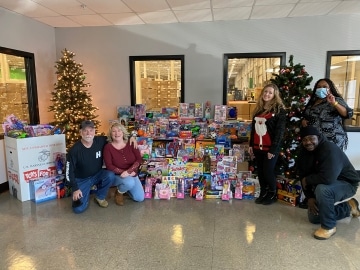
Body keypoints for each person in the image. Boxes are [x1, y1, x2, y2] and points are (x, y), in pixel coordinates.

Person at [297, 126, 360, 240]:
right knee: (314, 218)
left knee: (322, 189)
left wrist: (308, 180)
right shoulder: (303, 153)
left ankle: (329, 227)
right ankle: (349, 207)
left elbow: (328, 178)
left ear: (318, 137)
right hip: (327, 183)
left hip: (347, 183)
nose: (308, 142)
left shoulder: (329, 149)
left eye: (311, 138)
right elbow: (303, 176)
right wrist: (310, 197)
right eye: (304, 140)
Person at [249, 83, 286, 205]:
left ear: (275, 95)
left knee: (268, 171)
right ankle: (263, 192)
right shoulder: (258, 109)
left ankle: (272, 193)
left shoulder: (279, 110)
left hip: (270, 148)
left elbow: (279, 132)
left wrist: (274, 150)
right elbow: (253, 129)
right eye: (265, 92)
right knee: (260, 171)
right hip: (257, 146)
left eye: (270, 93)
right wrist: (250, 145)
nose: (267, 94)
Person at [66, 120, 115, 214]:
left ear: (95, 131)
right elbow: (69, 171)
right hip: (81, 179)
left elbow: (117, 136)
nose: (88, 133)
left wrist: (132, 138)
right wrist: (75, 188)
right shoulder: (74, 150)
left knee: (110, 175)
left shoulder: (100, 141)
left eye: (91, 130)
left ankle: (99, 197)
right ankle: (85, 193)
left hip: (97, 174)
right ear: (80, 132)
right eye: (85, 130)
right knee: (78, 209)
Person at [301, 78, 353, 151]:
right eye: (318, 87)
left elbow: (348, 114)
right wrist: (304, 121)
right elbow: (307, 116)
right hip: (315, 140)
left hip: (332, 139)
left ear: (330, 89)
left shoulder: (336, 100)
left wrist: (334, 103)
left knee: (330, 161)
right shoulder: (313, 102)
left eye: (325, 87)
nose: (321, 88)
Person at [103, 122, 144, 206]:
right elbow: (109, 166)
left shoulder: (131, 143)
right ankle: (119, 192)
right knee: (129, 182)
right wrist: (124, 172)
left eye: (119, 130)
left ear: (123, 132)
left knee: (139, 198)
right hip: (117, 176)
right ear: (111, 134)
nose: (117, 133)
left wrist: (129, 171)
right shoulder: (108, 147)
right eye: (114, 131)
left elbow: (139, 159)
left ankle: (125, 189)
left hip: (132, 173)